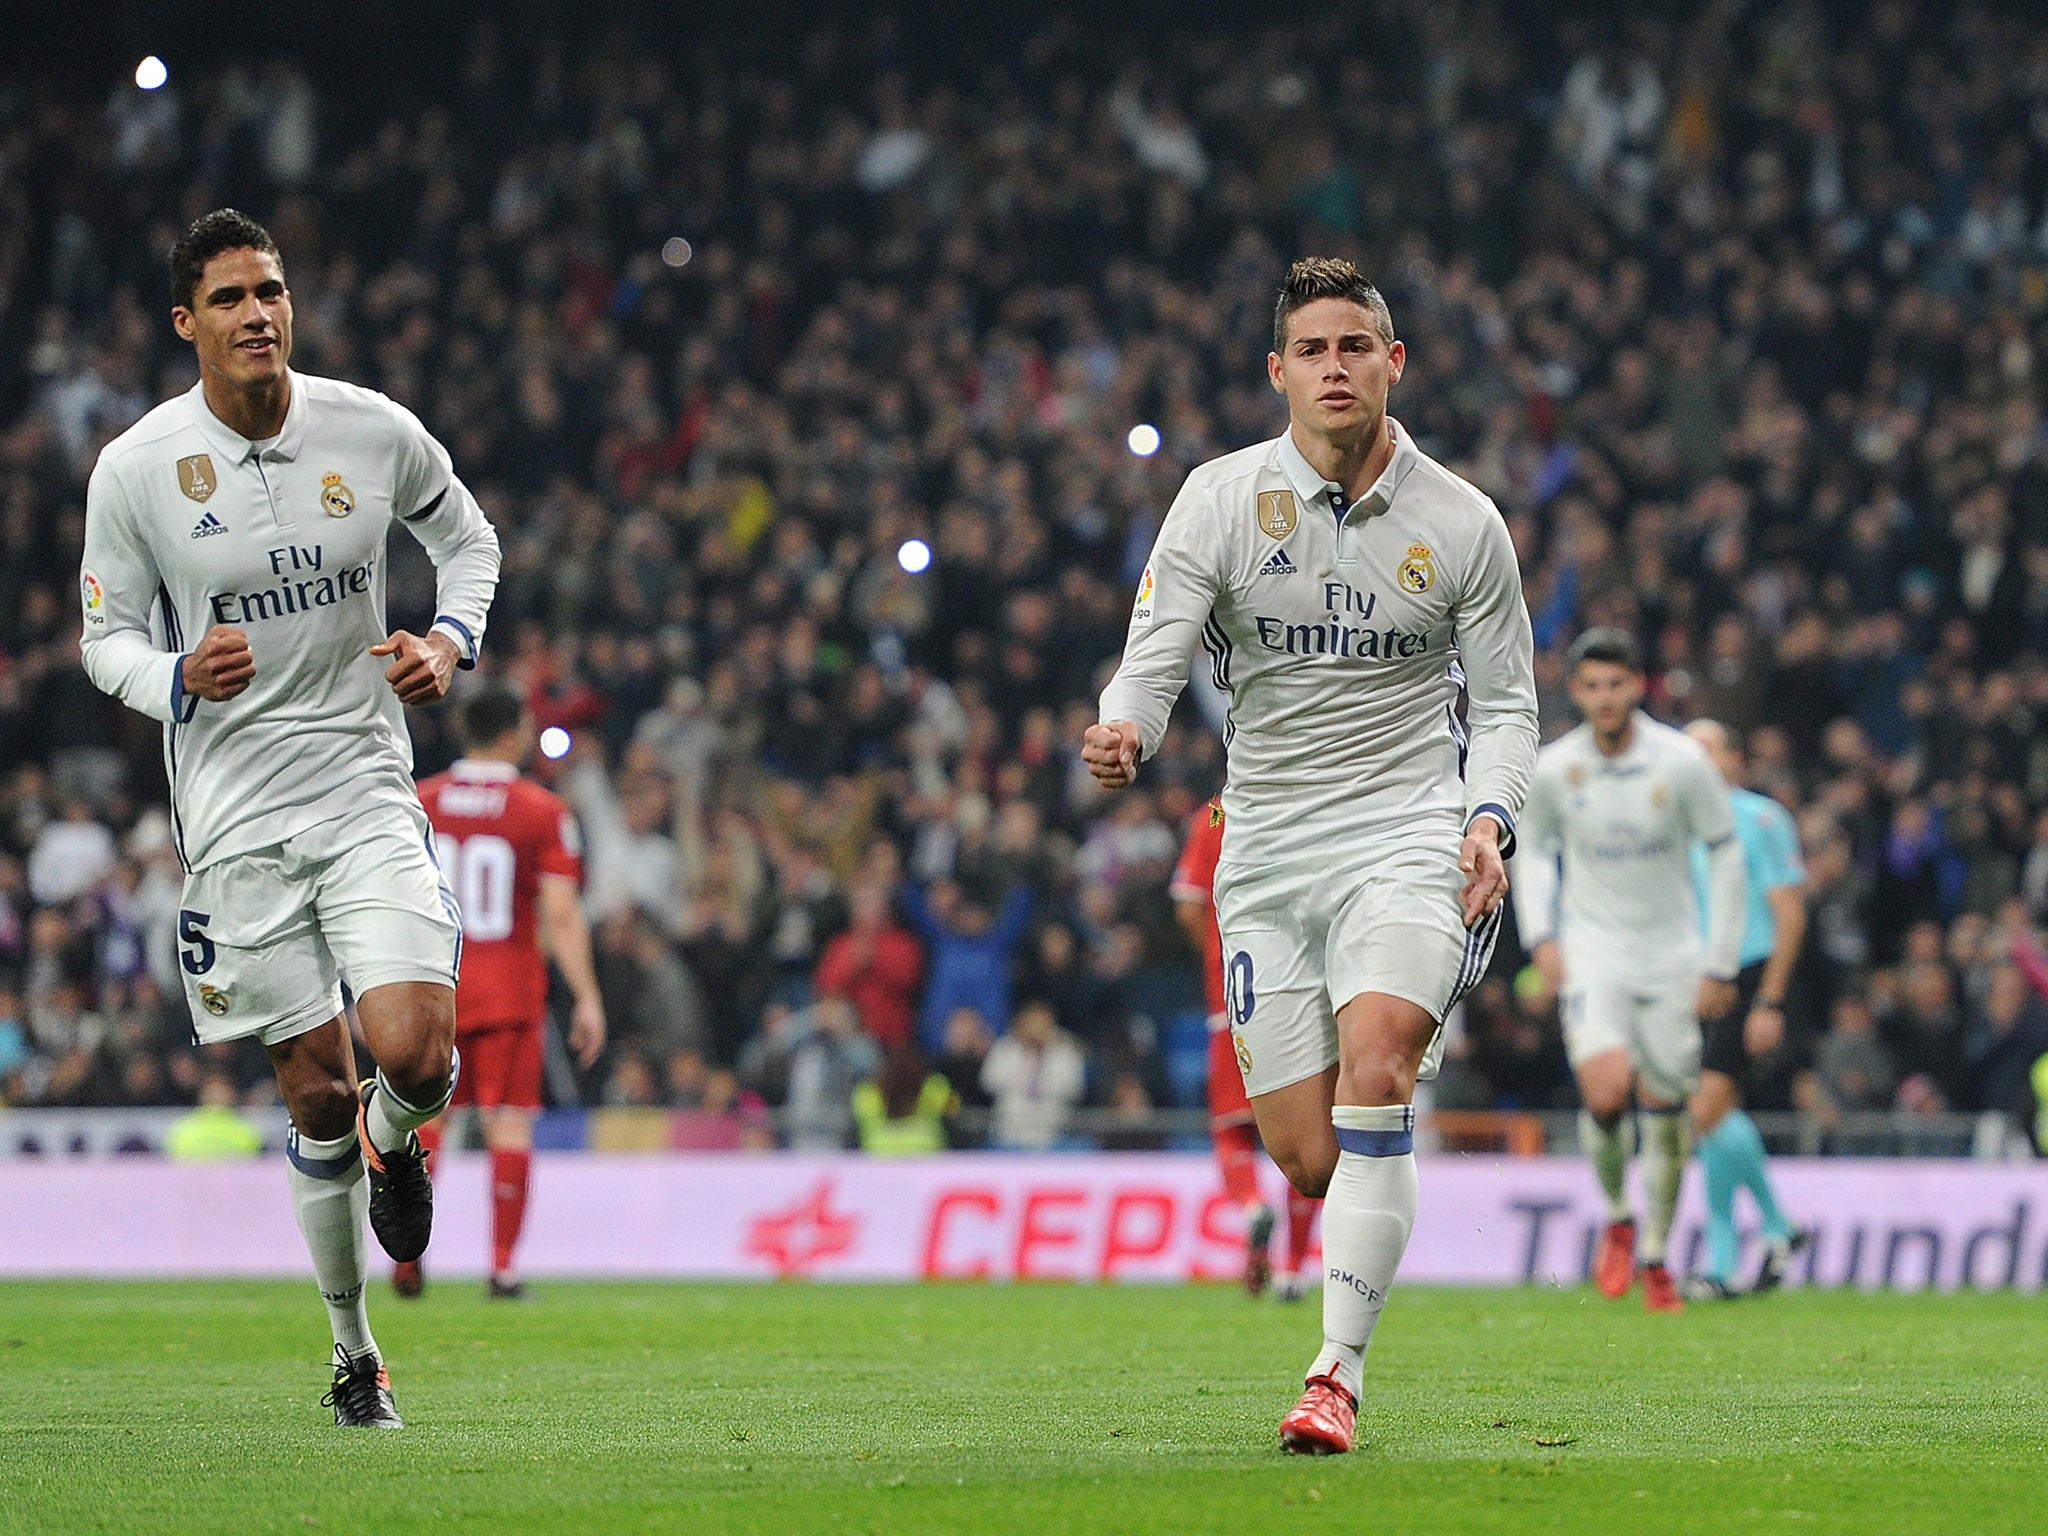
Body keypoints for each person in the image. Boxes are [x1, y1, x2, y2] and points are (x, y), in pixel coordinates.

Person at [1085, 258, 1537, 1455]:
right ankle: (1344, 1257)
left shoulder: (1461, 522)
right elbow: (1155, 646)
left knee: (1377, 1068)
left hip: (1406, 833)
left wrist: (1488, 819)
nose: (1334, 368)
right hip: (1268, 846)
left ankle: (1332, 1375)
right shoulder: (1220, 500)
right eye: (1312, 350)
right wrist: (1127, 721)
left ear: (1394, 363)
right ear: (1276, 372)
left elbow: (1504, 710)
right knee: (1304, 1156)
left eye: (1356, 346)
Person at [78, 209, 500, 1427]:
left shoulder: (368, 428)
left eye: (270, 291)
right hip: (236, 822)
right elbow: (102, 638)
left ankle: (397, 1134)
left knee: (416, 1055)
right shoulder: (138, 469)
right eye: (228, 299)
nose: (257, 313)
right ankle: (352, 1353)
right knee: (312, 1095)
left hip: (366, 789)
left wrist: (446, 638)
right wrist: (172, 677)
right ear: (186, 324)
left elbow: (466, 539)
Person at [1514, 631, 1745, 1315]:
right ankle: (1617, 1213)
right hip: (1593, 954)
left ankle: (1655, 1254)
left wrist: (1719, 962)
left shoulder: (1679, 762)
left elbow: (1725, 853)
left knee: (1667, 1109)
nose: (1605, 698)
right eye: (1592, 686)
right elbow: (1530, 852)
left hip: (1673, 956)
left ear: (1638, 686)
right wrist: (1543, 937)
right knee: (1609, 1093)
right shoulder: (1557, 768)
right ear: (1577, 691)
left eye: (1617, 684)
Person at [401, 682, 607, 1300]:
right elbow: (563, 914)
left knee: (424, 1125)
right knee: (508, 1127)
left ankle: (407, 1258)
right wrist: (588, 996)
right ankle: (502, 1267)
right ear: (516, 733)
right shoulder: (541, 810)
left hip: (431, 985)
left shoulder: (420, 800)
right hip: (509, 990)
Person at [1172, 796, 1321, 1299]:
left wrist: (1216, 954)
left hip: (1236, 989)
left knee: (1233, 1129)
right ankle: (1293, 1270)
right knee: (1309, 1137)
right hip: (1304, 988)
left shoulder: (1218, 810)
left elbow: (1190, 903)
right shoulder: (1310, 799)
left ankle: (1254, 1204)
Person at [1681, 720, 1811, 1300]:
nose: (1698, 761)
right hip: (1701, 979)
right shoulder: (1677, 823)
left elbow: (1790, 913)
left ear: (1735, 758)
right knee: (1711, 1121)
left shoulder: (1761, 818)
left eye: (1708, 749)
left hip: (1751, 975)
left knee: (1705, 1109)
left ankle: (1769, 1228)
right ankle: (1732, 1256)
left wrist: (1771, 1000)